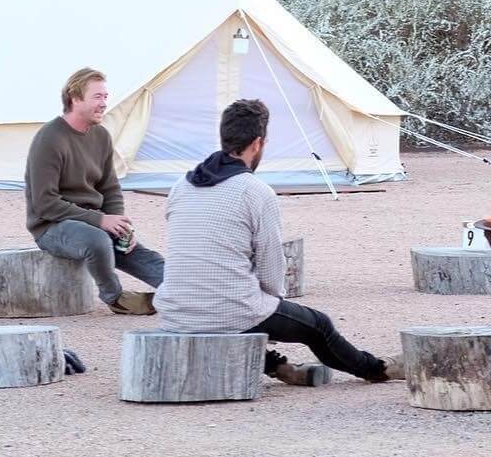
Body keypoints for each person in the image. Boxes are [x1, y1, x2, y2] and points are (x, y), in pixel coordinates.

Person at [155, 98, 399, 387]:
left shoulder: (181, 186)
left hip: (174, 311)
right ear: (258, 143)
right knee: (317, 325)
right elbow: (270, 265)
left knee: (238, 308)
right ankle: (375, 369)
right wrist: (272, 300)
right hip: (228, 310)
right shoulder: (256, 192)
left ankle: (279, 368)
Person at [25, 68, 166, 314]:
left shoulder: (101, 136)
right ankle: (116, 298)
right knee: (98, 241)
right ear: (75, 98)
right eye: (97, 97)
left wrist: (120, 224)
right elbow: (45, 203)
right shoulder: (49, 139)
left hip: (93, 222)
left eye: (105, 96)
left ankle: (183, 291)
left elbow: (110, 187)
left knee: (141, 254)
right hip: (52, 226)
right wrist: (100, 220)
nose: (104, 103)